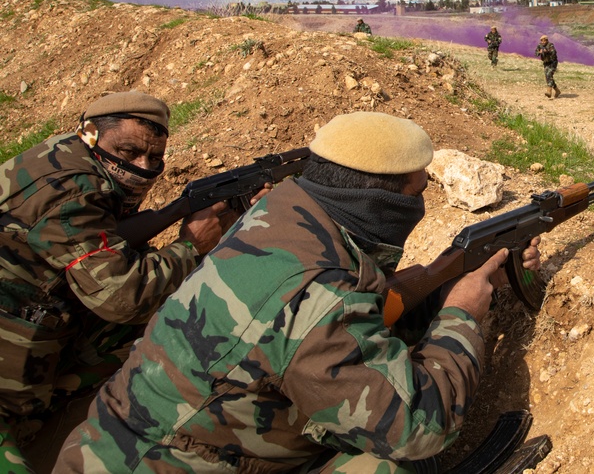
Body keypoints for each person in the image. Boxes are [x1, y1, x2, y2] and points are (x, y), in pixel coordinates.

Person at [56, 112, 542, 473]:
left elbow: (355, 318)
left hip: (118, 440)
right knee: (392, 465)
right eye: (416, 194)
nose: (419, 204)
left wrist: (449, 287)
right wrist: (462, 313)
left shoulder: (283, 211)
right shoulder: (319, 291)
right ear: (381, 200)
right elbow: (418, 427)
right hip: (154, 462)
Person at [0, 92, 237, 470]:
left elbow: (107, 241)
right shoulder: (72, 190)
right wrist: (191, 247)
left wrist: (179, 216)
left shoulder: (64, 154)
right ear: (91, 135)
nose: (142, 167)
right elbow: (122, 298)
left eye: (154, 158)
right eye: (128, 152)